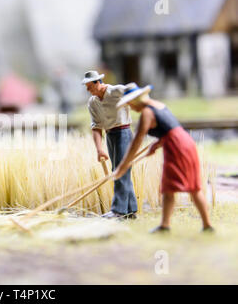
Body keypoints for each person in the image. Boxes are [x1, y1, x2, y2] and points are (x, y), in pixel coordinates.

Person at [113, 83, 214, 233]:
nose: (131, 108)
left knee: (170, 186)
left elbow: (136, 142)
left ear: (135, 101)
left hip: (176, 147)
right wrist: (158, 143)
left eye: (130, 104)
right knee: (191, 186)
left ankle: (167, 225)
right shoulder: (159, 105)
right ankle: (205, 225)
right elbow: (170, 129)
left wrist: (122, 167)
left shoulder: (147, 113)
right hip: (186, 143)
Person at [82, 70, 137, 219]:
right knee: (118, 170)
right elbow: (96, 127)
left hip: (124, 133)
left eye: (90, 86)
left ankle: (118, 210)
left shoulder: (116, 91)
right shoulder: (93, 102)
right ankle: (131, 210)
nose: (88, 90)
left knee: (120, 171)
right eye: (86, 87)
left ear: (98, 83)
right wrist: (99, 149)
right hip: (110, 135)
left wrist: (139, 104)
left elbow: (133, 90)